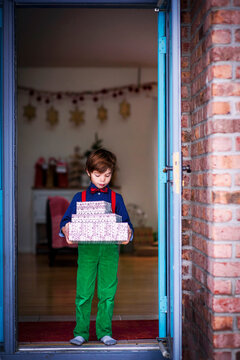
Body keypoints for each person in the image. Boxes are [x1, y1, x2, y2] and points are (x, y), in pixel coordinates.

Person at [59, 148, 134, 346]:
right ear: (88, 172)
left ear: (112, 173)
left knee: (107, 292)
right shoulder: (79, 198)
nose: (102, 179)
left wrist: (128, 233)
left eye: (107, 175)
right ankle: (81, 332)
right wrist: (66, 229)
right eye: (98, 174)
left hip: (110, 250)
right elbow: (66, 220)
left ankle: (104, 332)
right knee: (84, 291)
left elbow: (127, 223)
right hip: (87, 250)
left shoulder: (117, 199)